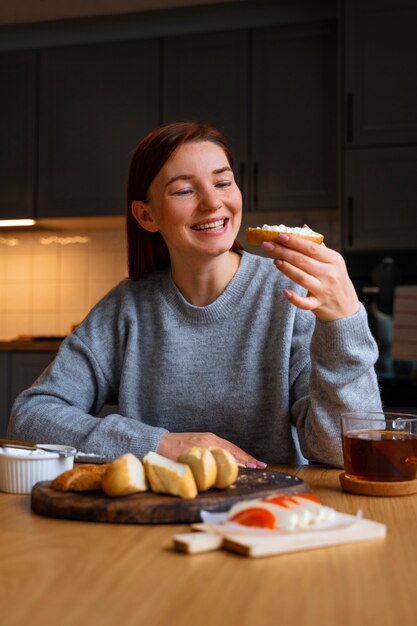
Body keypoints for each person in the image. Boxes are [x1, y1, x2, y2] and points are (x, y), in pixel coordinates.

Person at [7, 122, 382, 468]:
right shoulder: (127, 309)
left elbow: (343, 450)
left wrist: (343, 323)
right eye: (185, 190)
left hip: (269, 518)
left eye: (223, 183)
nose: (212, 203)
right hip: (150, 522)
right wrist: (161, 445)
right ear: (146, 216)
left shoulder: (292, 293)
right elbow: (30, 417)